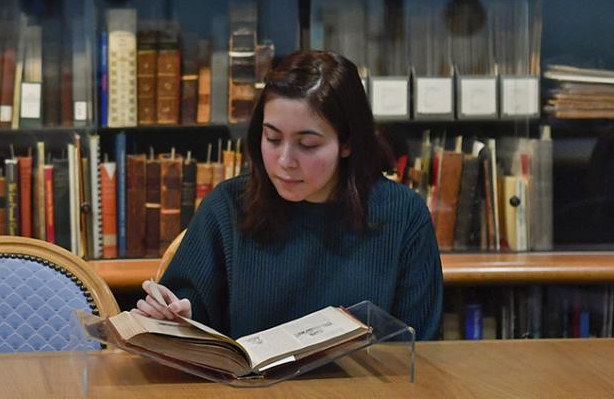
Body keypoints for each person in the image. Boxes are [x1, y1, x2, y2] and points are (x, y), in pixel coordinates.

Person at [132, 50, 443, 340]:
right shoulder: (228, 206)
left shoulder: (403, 216)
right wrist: (176, 320)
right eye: (272, 138)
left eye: (307, 144)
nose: (284, 161)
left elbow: (422, 347)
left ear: (347, 142)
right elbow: (184, 315)